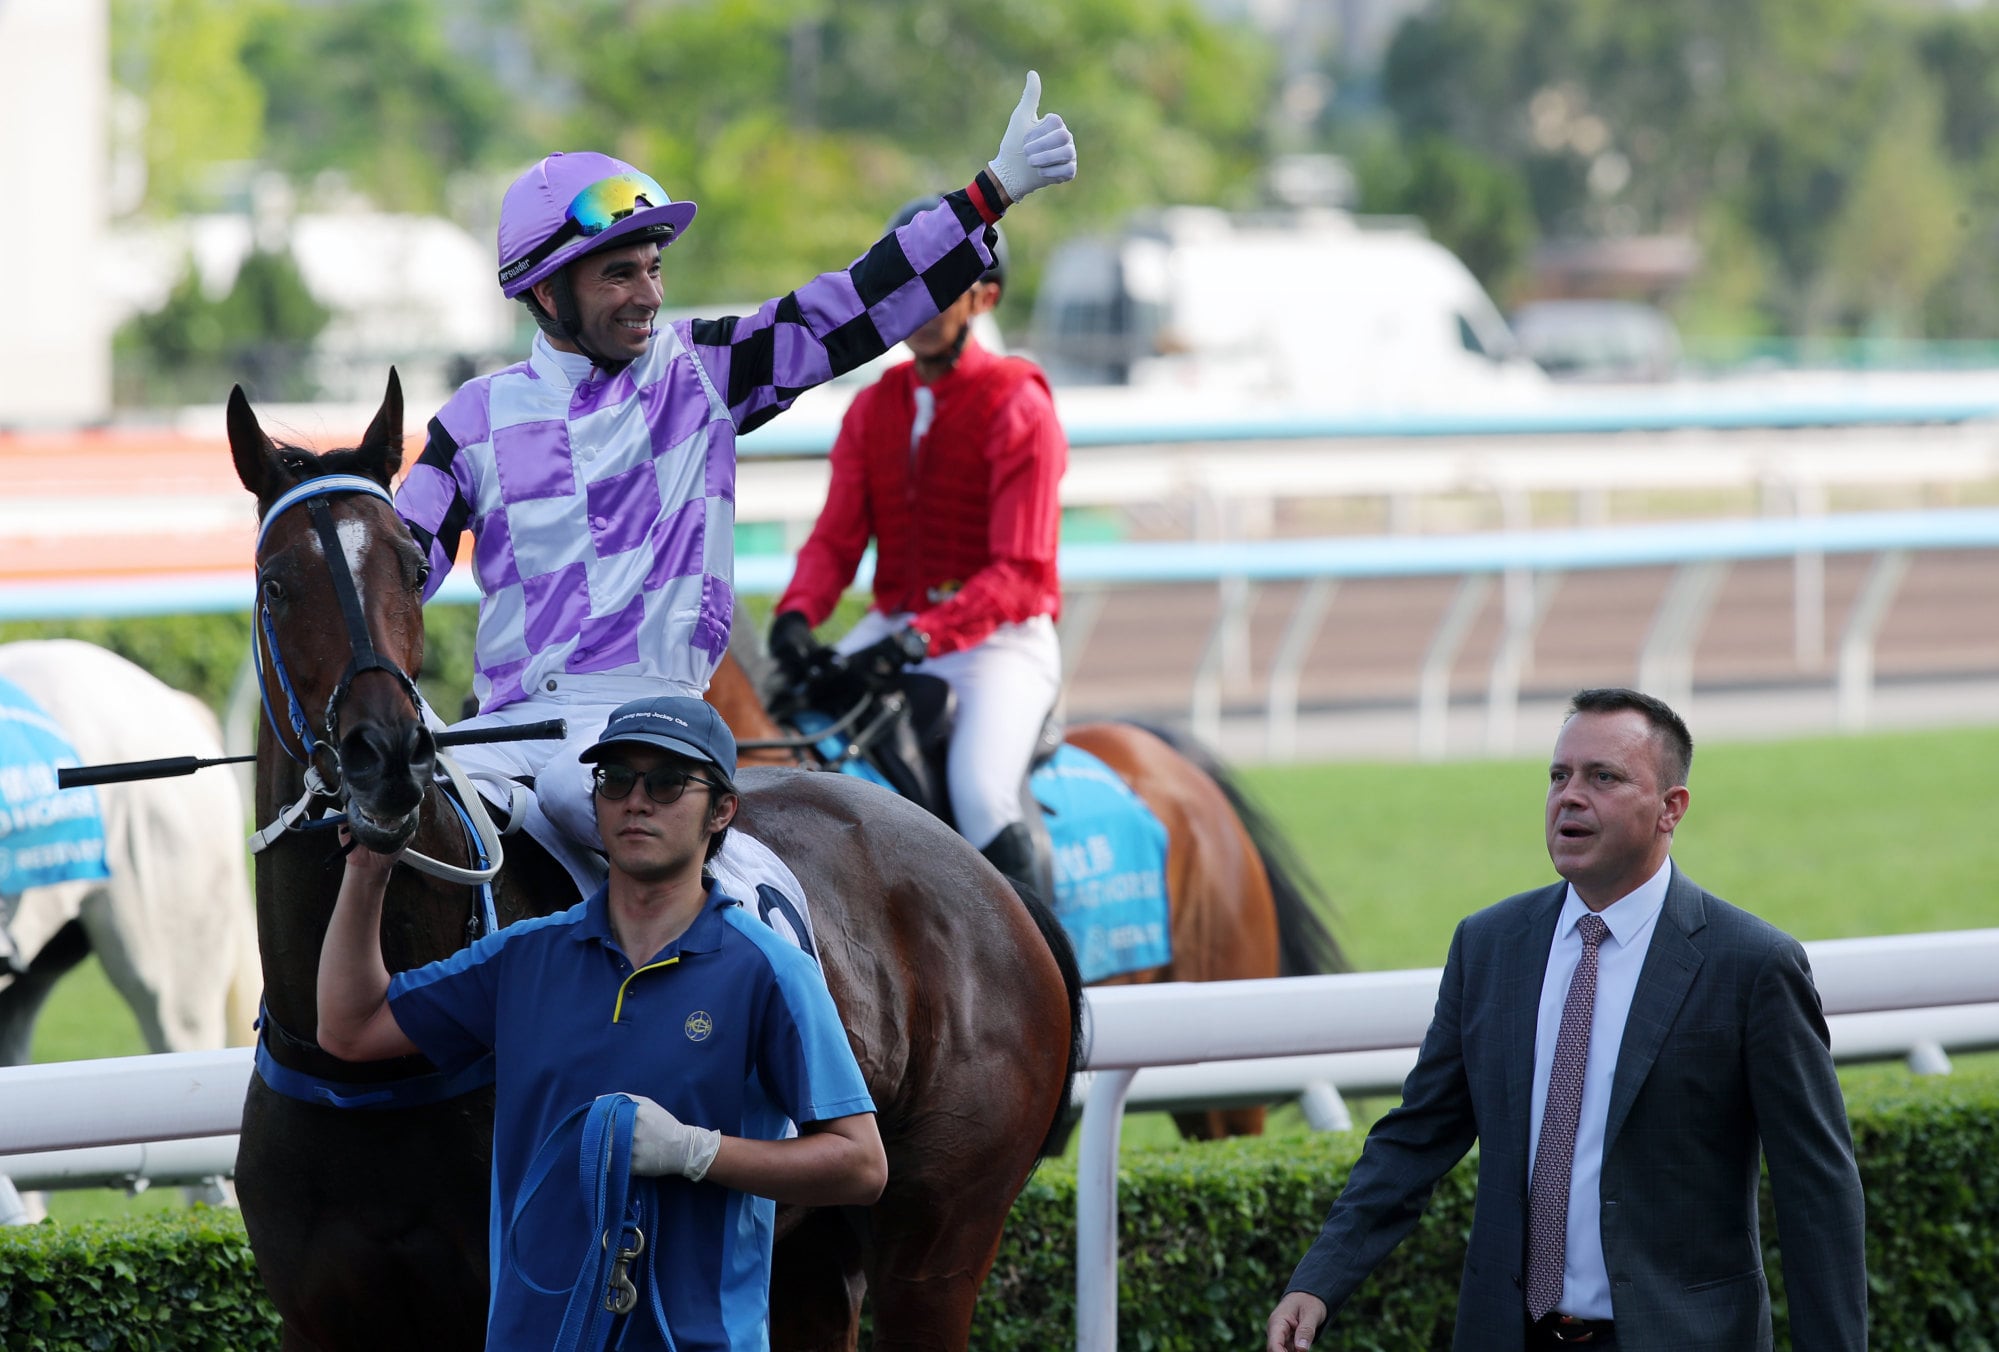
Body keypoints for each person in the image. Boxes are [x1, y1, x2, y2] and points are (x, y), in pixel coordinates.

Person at [393, 73, 1077, 862]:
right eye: (620, 274)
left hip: (645, 729)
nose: (649, 294)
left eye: (653, 267)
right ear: (546, 292)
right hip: (502, 735)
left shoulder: (702, 372)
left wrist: (987, 196)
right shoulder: (471, 421)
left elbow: (848, 305)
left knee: (571, 794)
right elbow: (391, 570)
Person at [1266, 688, 1866, 1352]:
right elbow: (1415, 1137)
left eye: (1602, 777)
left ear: (1670, 808)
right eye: (1559, 776)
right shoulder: (1489, 946)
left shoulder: (1751, 965)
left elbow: (1817, 1192)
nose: (1569, 797)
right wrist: (1317, 1282)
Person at [316, 693, 883, 1351]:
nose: (636, 801)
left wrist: (698, 1153)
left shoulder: (771, 971)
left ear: (722, 810)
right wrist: (367, 871)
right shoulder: (524, 956)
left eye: (666, 782)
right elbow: (350, 1028)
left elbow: (861, 1164)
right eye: (615, 780)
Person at [764, 197, 1066, 904]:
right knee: (782, 735)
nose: (922, 307)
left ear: (984, 298)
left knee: (983, 793)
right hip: (897, 631)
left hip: (998, 646)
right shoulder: (872, 407)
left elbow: (1019, 573)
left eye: (944, 287)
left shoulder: (1018, 403)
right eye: (908, 287)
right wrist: (796, 616)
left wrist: (917, 640)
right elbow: (835, 539)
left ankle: (1042, 958)